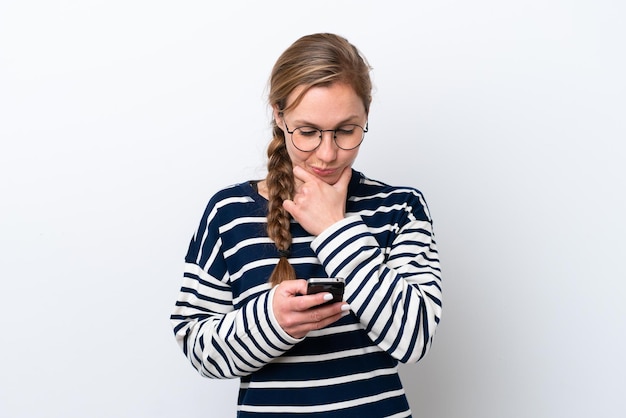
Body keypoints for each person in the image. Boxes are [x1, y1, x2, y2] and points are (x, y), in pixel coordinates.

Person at [170, 33, 442, 417]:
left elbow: (413, 340)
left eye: (346, 130)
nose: (328, 153)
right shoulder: (228, 211)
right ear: (279, 117)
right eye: (309, 131)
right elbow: (197, 348)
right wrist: (272, 321)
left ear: (366, 118)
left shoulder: (400, 207)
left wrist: (336, 229)